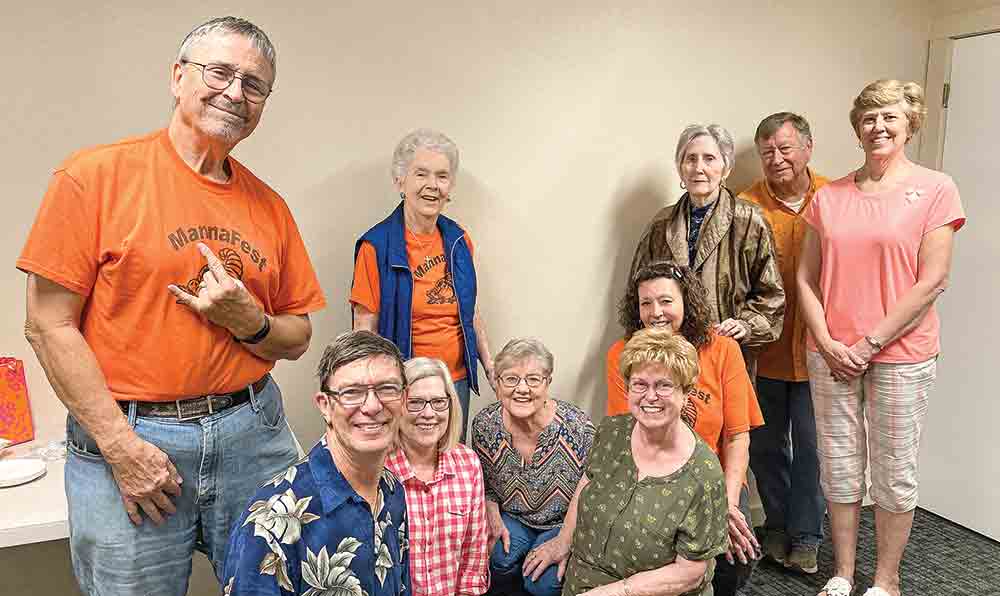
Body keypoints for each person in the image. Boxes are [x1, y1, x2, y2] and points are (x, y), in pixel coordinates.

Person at [18, 17, 325, 596]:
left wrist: (249, 322)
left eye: (254, 85)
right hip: (130, 439)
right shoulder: (94, 177)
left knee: (285, 586)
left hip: (252, 432)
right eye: (220, 72)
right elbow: (47, 325)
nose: (236, 92)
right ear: (178, 77)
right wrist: (120, 447)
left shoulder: (270, 207)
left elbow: (297, 335)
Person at [797, 80, 965, 596]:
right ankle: (844, 571)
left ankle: (886, 581)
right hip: (831, 355)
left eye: (890, 117)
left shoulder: (936, 189)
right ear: (857, 128)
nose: (879, 127)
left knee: (893, 471)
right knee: (842, 469)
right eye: (869, 119)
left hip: (899, 355)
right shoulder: (829, 196)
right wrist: (827, 343)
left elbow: (932, 280)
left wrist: (868, 345)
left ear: (911, 123)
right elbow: (805, 279)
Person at [606, 261, 764, 595]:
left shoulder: (722, 349)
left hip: (716, 481)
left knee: (736, 552)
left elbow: (737, 437)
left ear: (686, 302)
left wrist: (728, 505)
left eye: (666, 301)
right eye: (645, 303)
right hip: (652, 480)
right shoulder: (623, 354)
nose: (655, 312)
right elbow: (627, 439)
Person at [223, 330, 411, 595]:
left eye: (387, 389)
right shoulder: (269, 522)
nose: (372, 406)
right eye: (352, 392)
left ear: (404, 399)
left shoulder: (392, 492)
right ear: (325, 405)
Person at [546, 327, 730, 596]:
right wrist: (563, 540)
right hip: (583, 584)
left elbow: (690, 573)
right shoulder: (612, 431)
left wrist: (613, 592)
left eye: (664, 385)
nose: (650, 396)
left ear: (686, 392)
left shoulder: (703, 473)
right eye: (640, 384)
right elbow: (587, 483)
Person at [352, 128, 494, 443]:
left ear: (450, 186)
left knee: (448, 467)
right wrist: (372, 387)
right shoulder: (376, 247)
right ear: (400, 181)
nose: (432, 186)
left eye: (442, 176)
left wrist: (489, 366)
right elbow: (364, 327)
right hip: (404, 383)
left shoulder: (459, 240)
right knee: (403, 471)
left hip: (453, 383)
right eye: (421, 174)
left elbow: (471, 313)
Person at [738, 112, 829, 573]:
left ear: (808, 148)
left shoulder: (835, 198)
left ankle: (808, 534)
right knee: (766, 446)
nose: (776, 159)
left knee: (815, 449)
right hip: (763, 356)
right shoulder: (744, 205)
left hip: (822, 354)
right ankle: (775, 525)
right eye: (767, 151)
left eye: (786, 148)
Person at [630, 123, 784, 380]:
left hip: (727, 356)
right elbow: (637, 292)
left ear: (726, 168)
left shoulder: (749, 220)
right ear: (680, 167)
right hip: (669, 358)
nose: (698, 168)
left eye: (709, 158)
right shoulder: (661, 224)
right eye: (690, 159)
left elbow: (772, 296)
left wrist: (745, 325)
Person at [471, 338, 595, 596]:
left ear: (548, 382)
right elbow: (486, 485)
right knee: (498, 560)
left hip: (562, 522)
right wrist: (493, 520)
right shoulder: (485, 424)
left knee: (543, 583)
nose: (522, 389)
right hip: (515, 517)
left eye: (533, 379)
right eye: (511, 379)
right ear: (498, 383)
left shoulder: (578, 426)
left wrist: (565, 540)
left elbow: (590, 488)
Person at [385, 357, 490, 596]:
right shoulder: (379, 469)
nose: (429, 413)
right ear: (398, 408)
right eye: (416, 403)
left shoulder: (468, 464)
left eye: (438, 402)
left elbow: (473, 560)